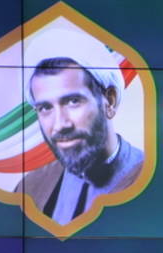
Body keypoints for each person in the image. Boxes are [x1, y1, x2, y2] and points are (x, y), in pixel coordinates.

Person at [16, 31, 144, 225]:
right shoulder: (29, 187)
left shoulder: (154, 180)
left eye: (73, 101)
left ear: (110, 101)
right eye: (45, 108)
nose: (60, 125)